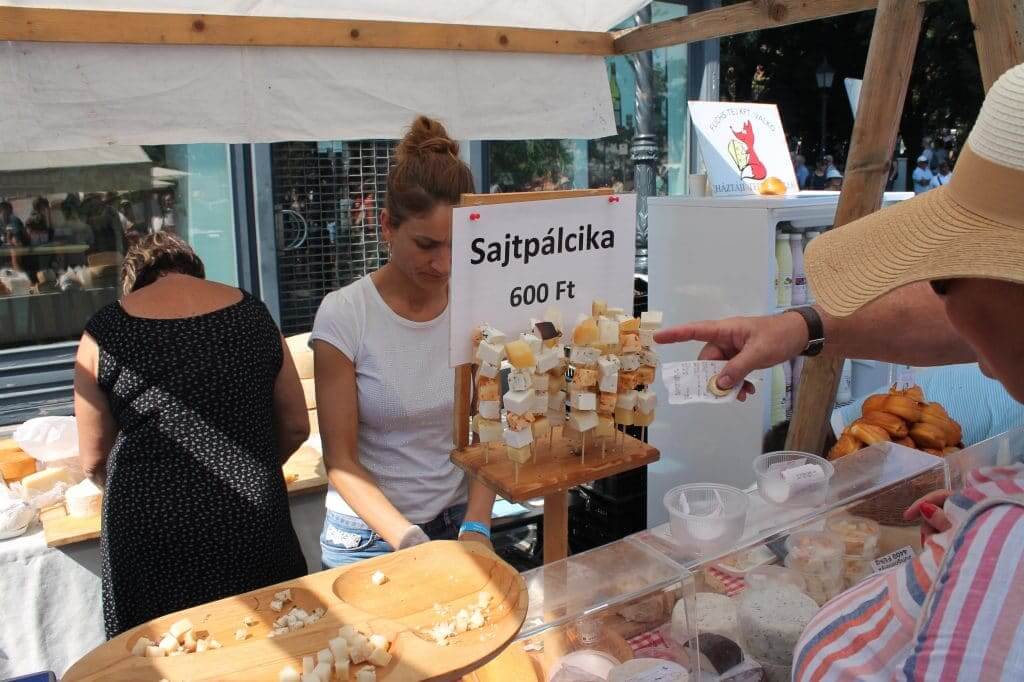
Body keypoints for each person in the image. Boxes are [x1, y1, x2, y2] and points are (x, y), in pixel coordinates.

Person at [656, 62, 1024, 679]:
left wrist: (983, 541)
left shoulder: (1007, 545)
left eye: (943, 273)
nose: (944, 307)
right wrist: (799, 328)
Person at [74, 232, 309, 636]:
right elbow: (295, 424)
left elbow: (93, 458)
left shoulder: (104, 330)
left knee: (162, 654)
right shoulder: (253, 313)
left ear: (134, 281)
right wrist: (251, 466)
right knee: (268, 638)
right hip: (251, 516)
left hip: (149, 527)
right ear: (197, 273)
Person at [311, 115, 496, 568]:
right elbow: (341, 462)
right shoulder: (346, 314)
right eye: (427, 245)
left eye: (458, 245)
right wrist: (411, 543)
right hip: (368, 538)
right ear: (387, 226)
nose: (444, 264)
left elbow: (490, 431)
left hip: (456, 522)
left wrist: (476, 526)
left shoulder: (477, 307)